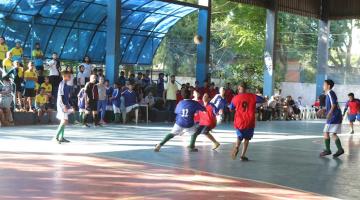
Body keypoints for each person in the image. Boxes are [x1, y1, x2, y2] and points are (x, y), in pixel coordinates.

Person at [229, 82, 264, 161]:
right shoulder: (252, 96)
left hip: (239, 121)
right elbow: (262, 100)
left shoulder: (235, 98)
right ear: (246, 89)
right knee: (247, 139)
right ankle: (243, 155)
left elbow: (231, 108)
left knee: (239, 136)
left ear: (239, 89)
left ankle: (237, 146)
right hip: (249, 121)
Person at [319, 79, 344, 158]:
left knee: (326, 132)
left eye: (324, 84)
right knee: (333, 133)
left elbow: (333, 104)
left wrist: (329, 113)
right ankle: (340, 149)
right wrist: (323, 110)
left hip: (334, 116)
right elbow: (331, 105)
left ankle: (328, 150)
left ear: (328, 86)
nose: (323, 86)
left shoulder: (330, 92)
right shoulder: (328, 94)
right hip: (336, 116)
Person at [53, 71, 73, 144]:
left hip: (65, 105)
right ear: (64, 76)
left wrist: (69, 106)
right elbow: (61, 96)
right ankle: (55, 137)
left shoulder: (66, 84)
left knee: (65, 121)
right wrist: (64, 106)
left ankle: (61, 137)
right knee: (64, 121)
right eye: (68, 75)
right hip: (61, 105)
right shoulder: (62, 84)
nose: (70, 77)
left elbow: (67, 97)